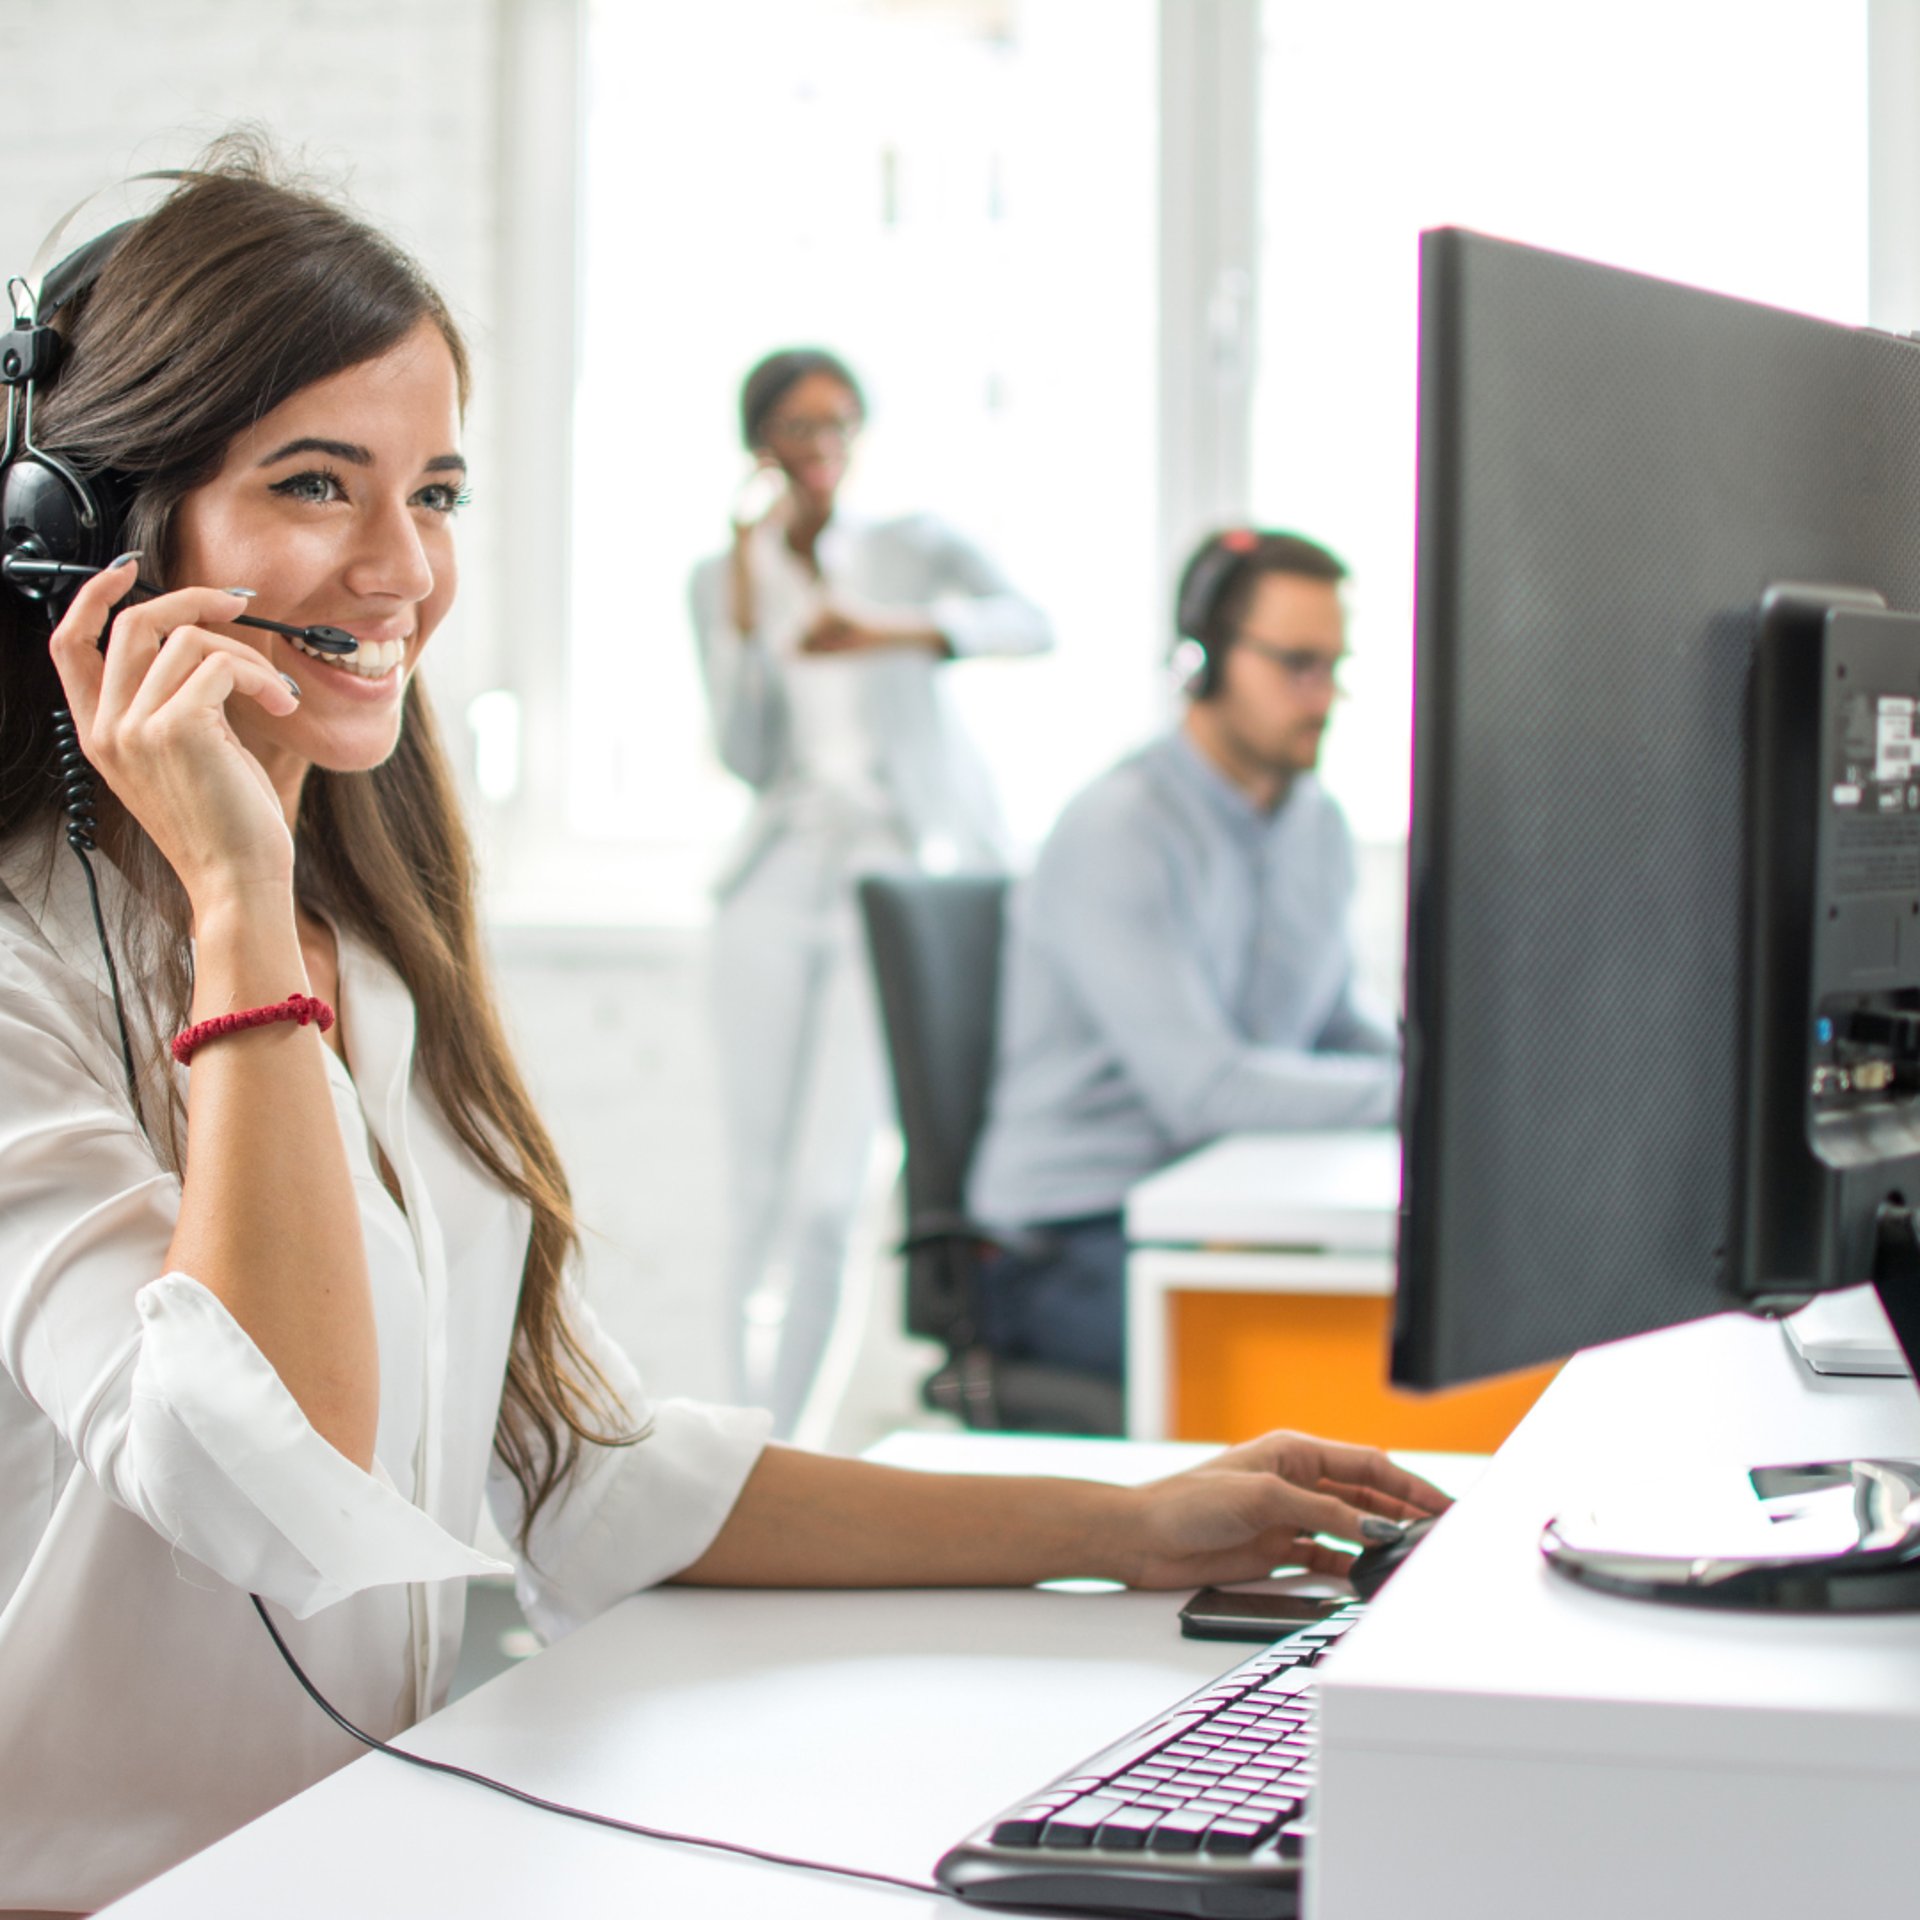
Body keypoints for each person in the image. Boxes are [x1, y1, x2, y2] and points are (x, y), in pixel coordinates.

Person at [0, 154, 1445, 1913]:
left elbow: (581, 1466)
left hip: (342, 1857)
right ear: (81, 532)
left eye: (437, 490)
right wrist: (231, 888)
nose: (403, 572)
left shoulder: (370, 948)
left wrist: (1132, 1523)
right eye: (319, 483)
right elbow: (261, 1485)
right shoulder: (53, 977)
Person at [688, 348, 1052, 1433]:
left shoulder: (909, 548)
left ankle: (788, 1446)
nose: (823, 447)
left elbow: (1032, 623)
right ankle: (732, 1437)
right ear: (761, 445)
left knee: (829, 1194)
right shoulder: (724, 575)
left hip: (893, 873)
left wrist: (894, 631)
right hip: (778, 872)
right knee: (753, 1188)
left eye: (840, 423)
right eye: (800, 427)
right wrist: (748, 619)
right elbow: (746, 754)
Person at [967, 529, 1402, 1387]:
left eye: (1334, 667)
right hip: (1068, 1243)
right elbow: (1204, 1093)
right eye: (1296, 665)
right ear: (1202, 662)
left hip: (1217, 1208)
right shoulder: (1121, 828)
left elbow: (1327, 1021)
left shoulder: (1315, 823)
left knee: (1403, 1320)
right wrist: (1421, 1102)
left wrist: (1456, 1084)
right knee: (1344, 1367)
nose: (1323, 697)